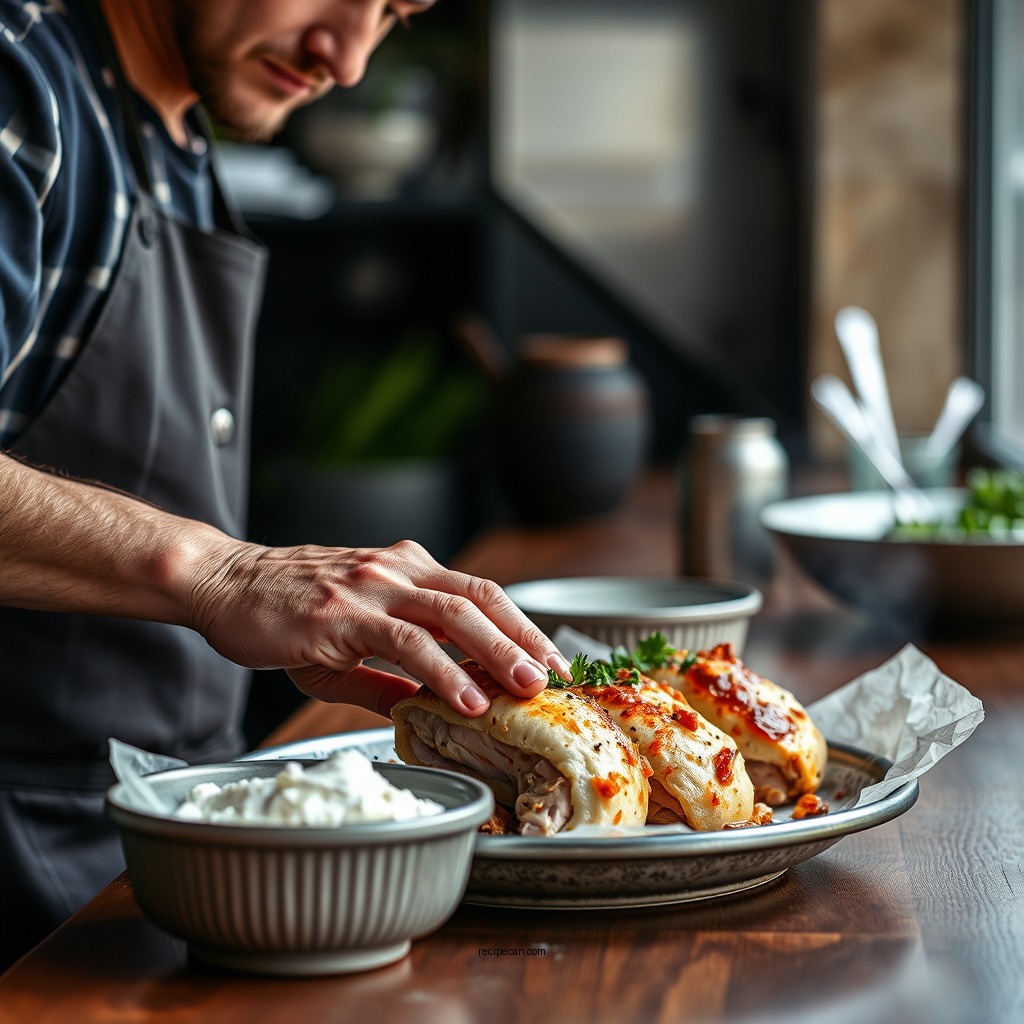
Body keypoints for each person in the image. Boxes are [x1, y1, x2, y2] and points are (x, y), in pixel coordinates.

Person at [0, 0, 571, 969]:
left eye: (393, 13)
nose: (347, 59)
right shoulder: (25, 84)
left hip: (162, 873)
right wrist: (221, 574)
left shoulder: (176, 127)